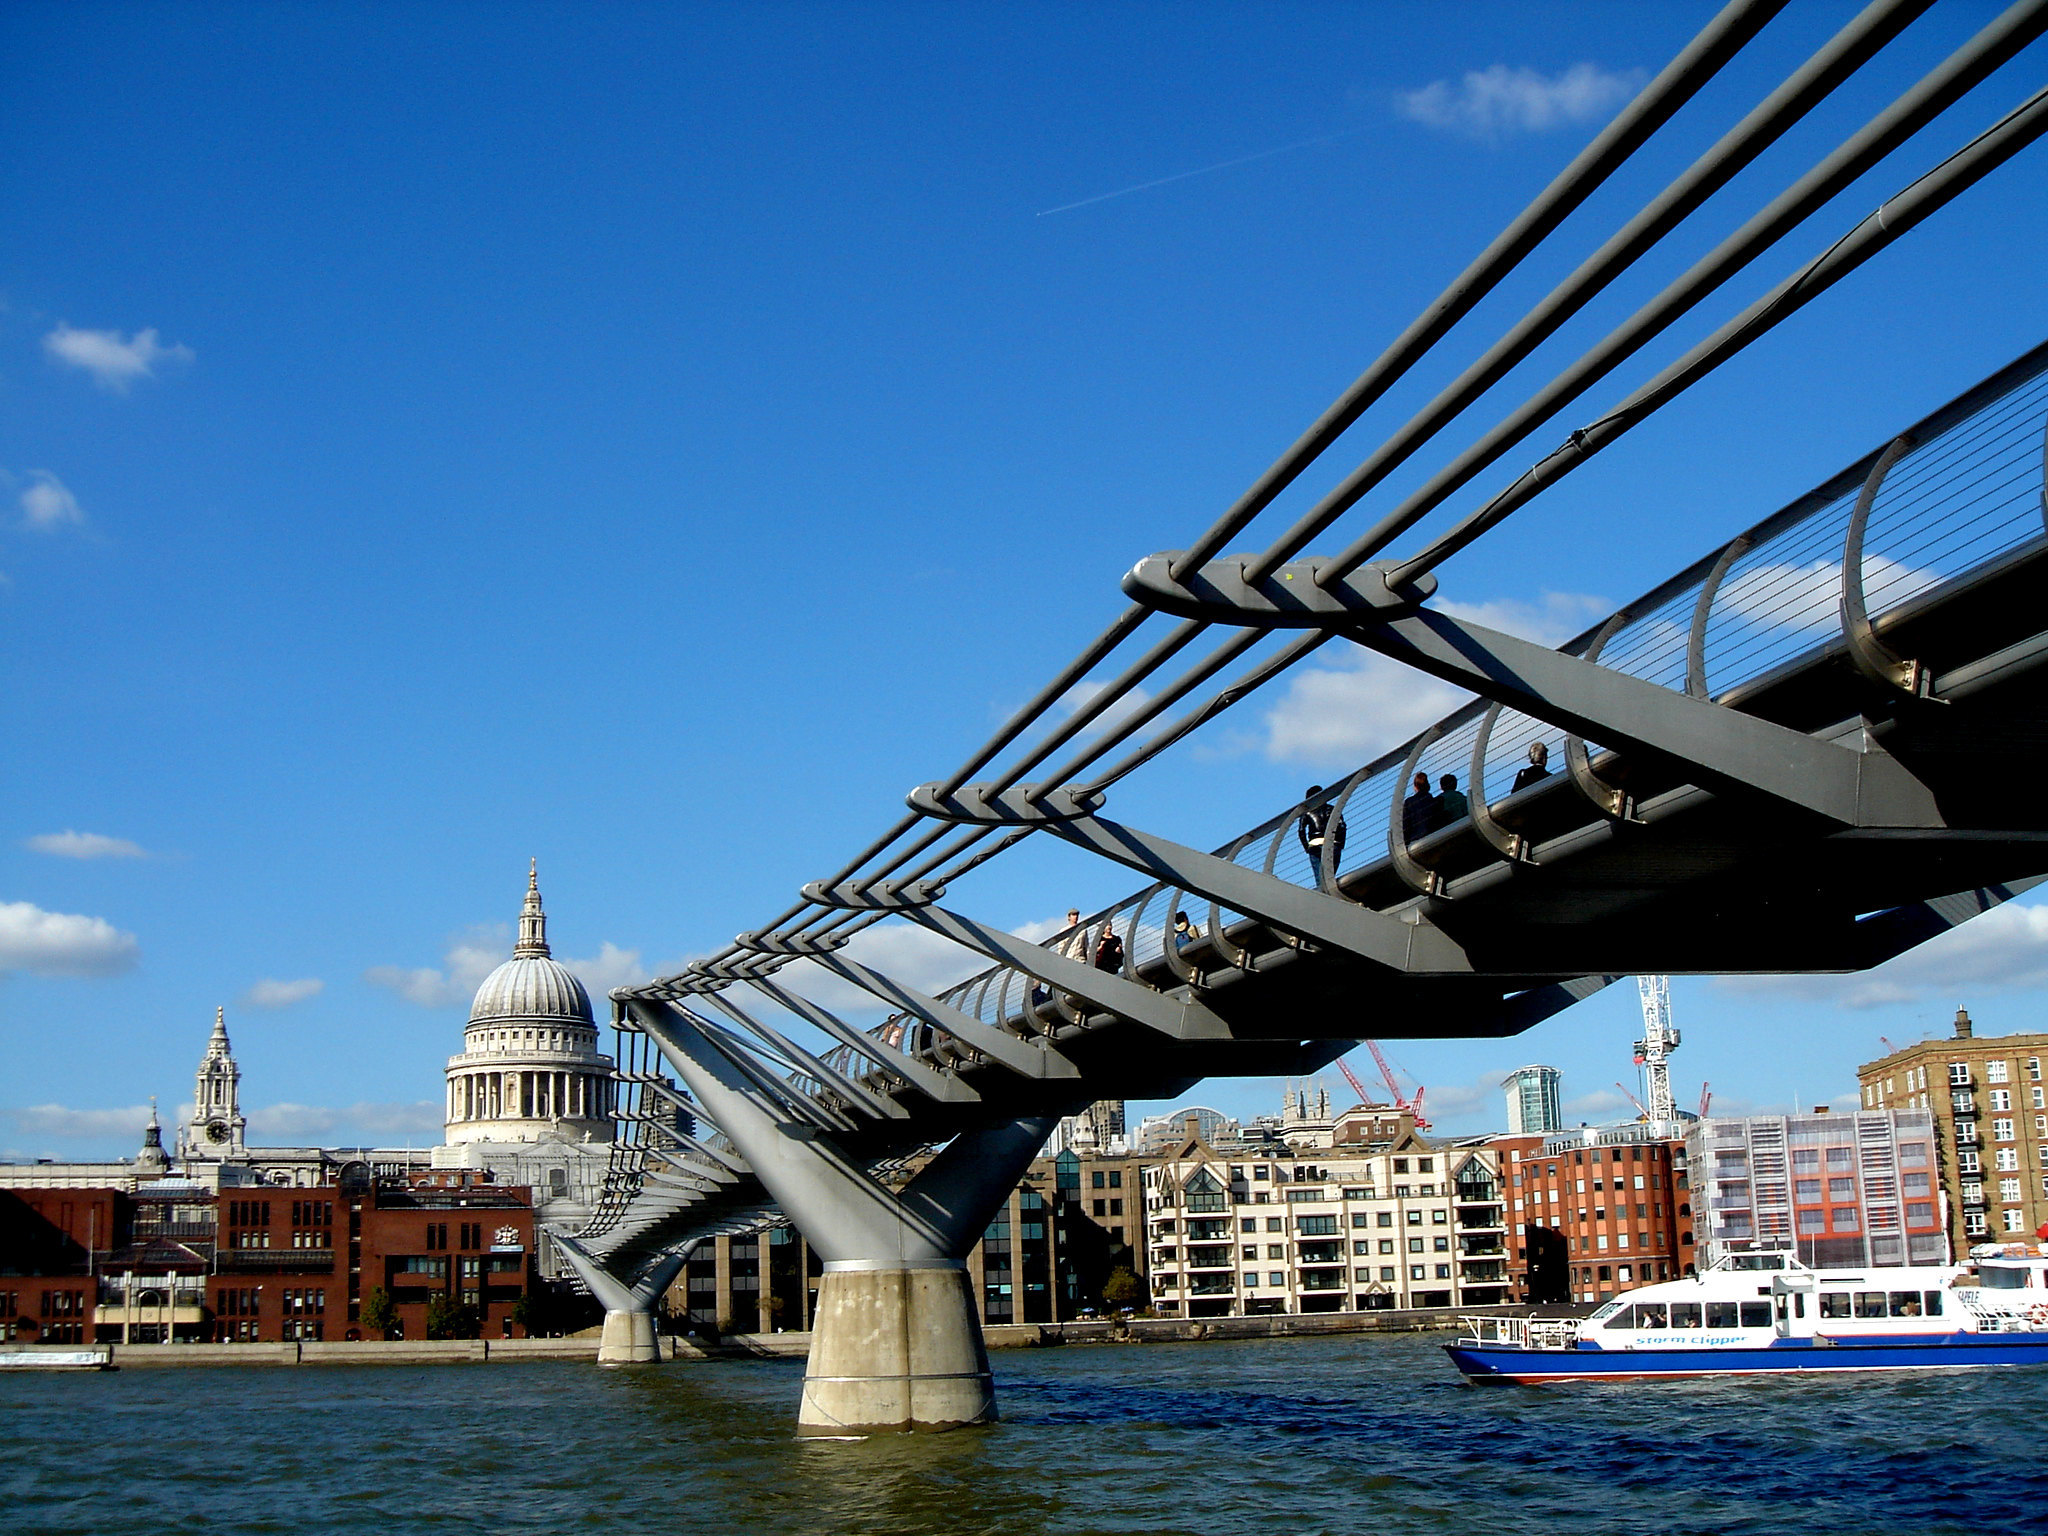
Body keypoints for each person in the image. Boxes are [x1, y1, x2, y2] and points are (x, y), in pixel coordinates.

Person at [1296, 784, 1348, 879]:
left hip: (1314, 845)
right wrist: (1341, 843)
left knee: (1320, 877)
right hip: (1333, 843)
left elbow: (1301, 831)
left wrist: (1307, 848)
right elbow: (1342, 826)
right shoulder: (1332, 809)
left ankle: (1323, 890)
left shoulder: (1307, 812)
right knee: (1331, 875)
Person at [1401, 772, 1435, 843]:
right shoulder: (1435, 801)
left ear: (1415, 786)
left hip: (1415, 841)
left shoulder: (1409, 802)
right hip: (1434, 837)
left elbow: (1405, 825)